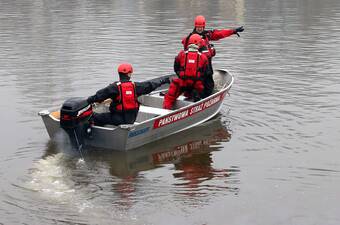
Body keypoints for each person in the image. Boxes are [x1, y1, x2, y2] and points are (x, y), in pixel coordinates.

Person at [87, 63, 170, 126]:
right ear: (129, 74)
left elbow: (99, 96)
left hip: (117, 119)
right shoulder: (136, 86)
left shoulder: (114, 87)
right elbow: (150, 86)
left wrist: (89, 100)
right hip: (131, 119)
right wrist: (162, 81)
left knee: (92, 117)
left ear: (119, 73)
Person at [182, 15, 244, 97]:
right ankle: (197, 101)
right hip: (198, 69)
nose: (199, 29)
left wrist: (233, 31)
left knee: (209, 87)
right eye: (198, 27)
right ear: (195, 26)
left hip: (207, 68)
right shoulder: (191, 38)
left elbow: (219, 34)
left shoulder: (207, 35)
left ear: (203, 26)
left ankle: (203, 98)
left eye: (201, 27)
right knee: (198, 89)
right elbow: (186, 53)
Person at [163, 34, 210, 110]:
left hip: (182, 82)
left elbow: (176, 67)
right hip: (196, 85)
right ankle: (194, 102)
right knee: (199, 92)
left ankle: (165, 110)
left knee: (169, 96)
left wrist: (181, 75)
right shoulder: (203, 57)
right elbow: (206, 72)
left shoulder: (182, 54)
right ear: (199, 44)